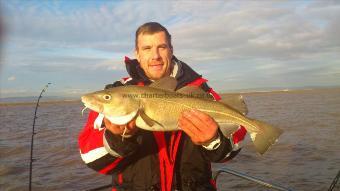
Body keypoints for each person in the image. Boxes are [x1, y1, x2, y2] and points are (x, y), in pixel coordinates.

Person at [78, 22, 247, 191]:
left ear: (171, 50)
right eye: (147, 48)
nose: (155, 56)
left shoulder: (202, 92)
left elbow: (235, 142)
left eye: (162, 47)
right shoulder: (116, 92)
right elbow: (91, 158)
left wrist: (214, 141)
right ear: (137, 53)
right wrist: (116, 139)